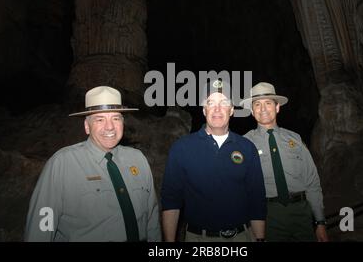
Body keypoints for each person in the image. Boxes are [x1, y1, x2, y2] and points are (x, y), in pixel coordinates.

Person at [24, 86, 161, 242]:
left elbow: (152, 219)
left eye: (116, 118)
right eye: (100, 119)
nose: (109, 127)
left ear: (123, 122)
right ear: (87, 126)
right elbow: (41, 228)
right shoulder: (62, 164)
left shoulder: (138, 160)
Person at [161, 79, 266, 242]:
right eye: (211, 102)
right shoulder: (181, 148)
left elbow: (256, 200)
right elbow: (171, 201)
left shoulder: (247, 148)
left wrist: (260, 239)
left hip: (242, 237)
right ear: (204, 109)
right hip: (198, 240)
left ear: (231, 110)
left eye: (223, 102)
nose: (217, 109)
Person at [241, 82, 329, 242]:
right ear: (252, 111)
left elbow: (312, 182)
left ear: (277, 107)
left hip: (302, 213)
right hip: (268, 216)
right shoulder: (245, 144)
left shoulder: (295, 139)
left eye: (268, 103)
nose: (263, 109)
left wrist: (320, 222)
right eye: (257, 104)